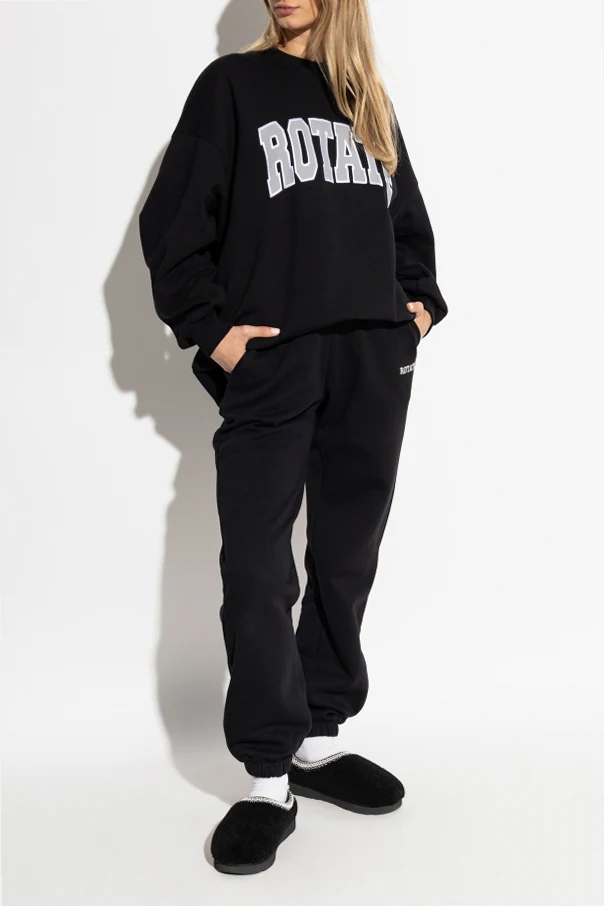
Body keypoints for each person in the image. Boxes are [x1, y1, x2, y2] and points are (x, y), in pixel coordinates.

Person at [139, 0, 448, 875]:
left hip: (371, 360)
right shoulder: (232, 86)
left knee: (347, 554)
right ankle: (268, 777)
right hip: (274, 361)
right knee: (257, 564)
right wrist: (215, 334)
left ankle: (317, 733)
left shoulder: (366, 98)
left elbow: (407, 227)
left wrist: (416, 310)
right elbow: (173, 224)